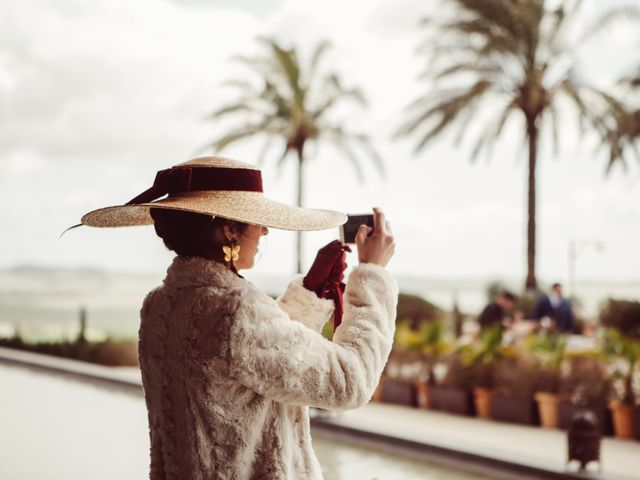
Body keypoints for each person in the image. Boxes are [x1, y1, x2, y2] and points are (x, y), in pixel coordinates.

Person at [77, 156, 398, 480]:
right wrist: (372, 275)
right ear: (230, 229)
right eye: (255, 220)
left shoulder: (160, 306)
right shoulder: (235, 311)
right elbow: (348, 383)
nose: (264, 230)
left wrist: (311, 291)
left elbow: (251, 361)